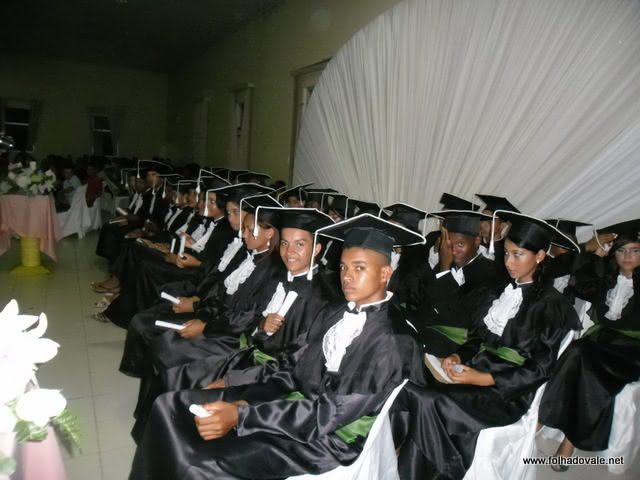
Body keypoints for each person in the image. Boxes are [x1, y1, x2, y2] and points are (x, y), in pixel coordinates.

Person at [128, 213, 426, 479]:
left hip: (324, 441)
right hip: (291, 407)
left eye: (359, 268)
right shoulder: (337, 311)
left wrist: (243, 416)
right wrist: (244, 394)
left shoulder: (392, 341)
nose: (347, 277)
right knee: (171, 406)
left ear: (385, 273)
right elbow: (292, 364)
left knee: (198, 464)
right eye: (343, 267)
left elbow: (329, 413)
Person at [395, 211, 580, 480]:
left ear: (540, 256)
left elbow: (540, 370)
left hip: (508, 391)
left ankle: (436, 471)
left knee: (429, 401)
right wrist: (458, 355)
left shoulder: (552, 307)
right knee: (413, 389)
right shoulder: (501, 291)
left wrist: (484, 379)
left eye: (518, 255)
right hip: (476, 369)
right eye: (506, 254)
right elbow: (478, 339)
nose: (509, 262)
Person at [538, 219, 640, 471]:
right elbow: (579, 282)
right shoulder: (607, 279)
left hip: (632, 349)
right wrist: (593, 254)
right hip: (601, 341)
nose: (627, 256)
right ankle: (548, 425)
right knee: (577, 352)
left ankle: (565, 439)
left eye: (635, 250)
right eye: (621, 250)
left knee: (582, 355)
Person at [413, 210, 497, 358]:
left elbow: (459, 318)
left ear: (477, 241)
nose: (453, 251)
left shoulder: (489, 273)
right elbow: (425, 302)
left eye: (460, 244)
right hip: (424, 337)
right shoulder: (445, 264)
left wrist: (445, 270)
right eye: (449, 245)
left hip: (456, 349)